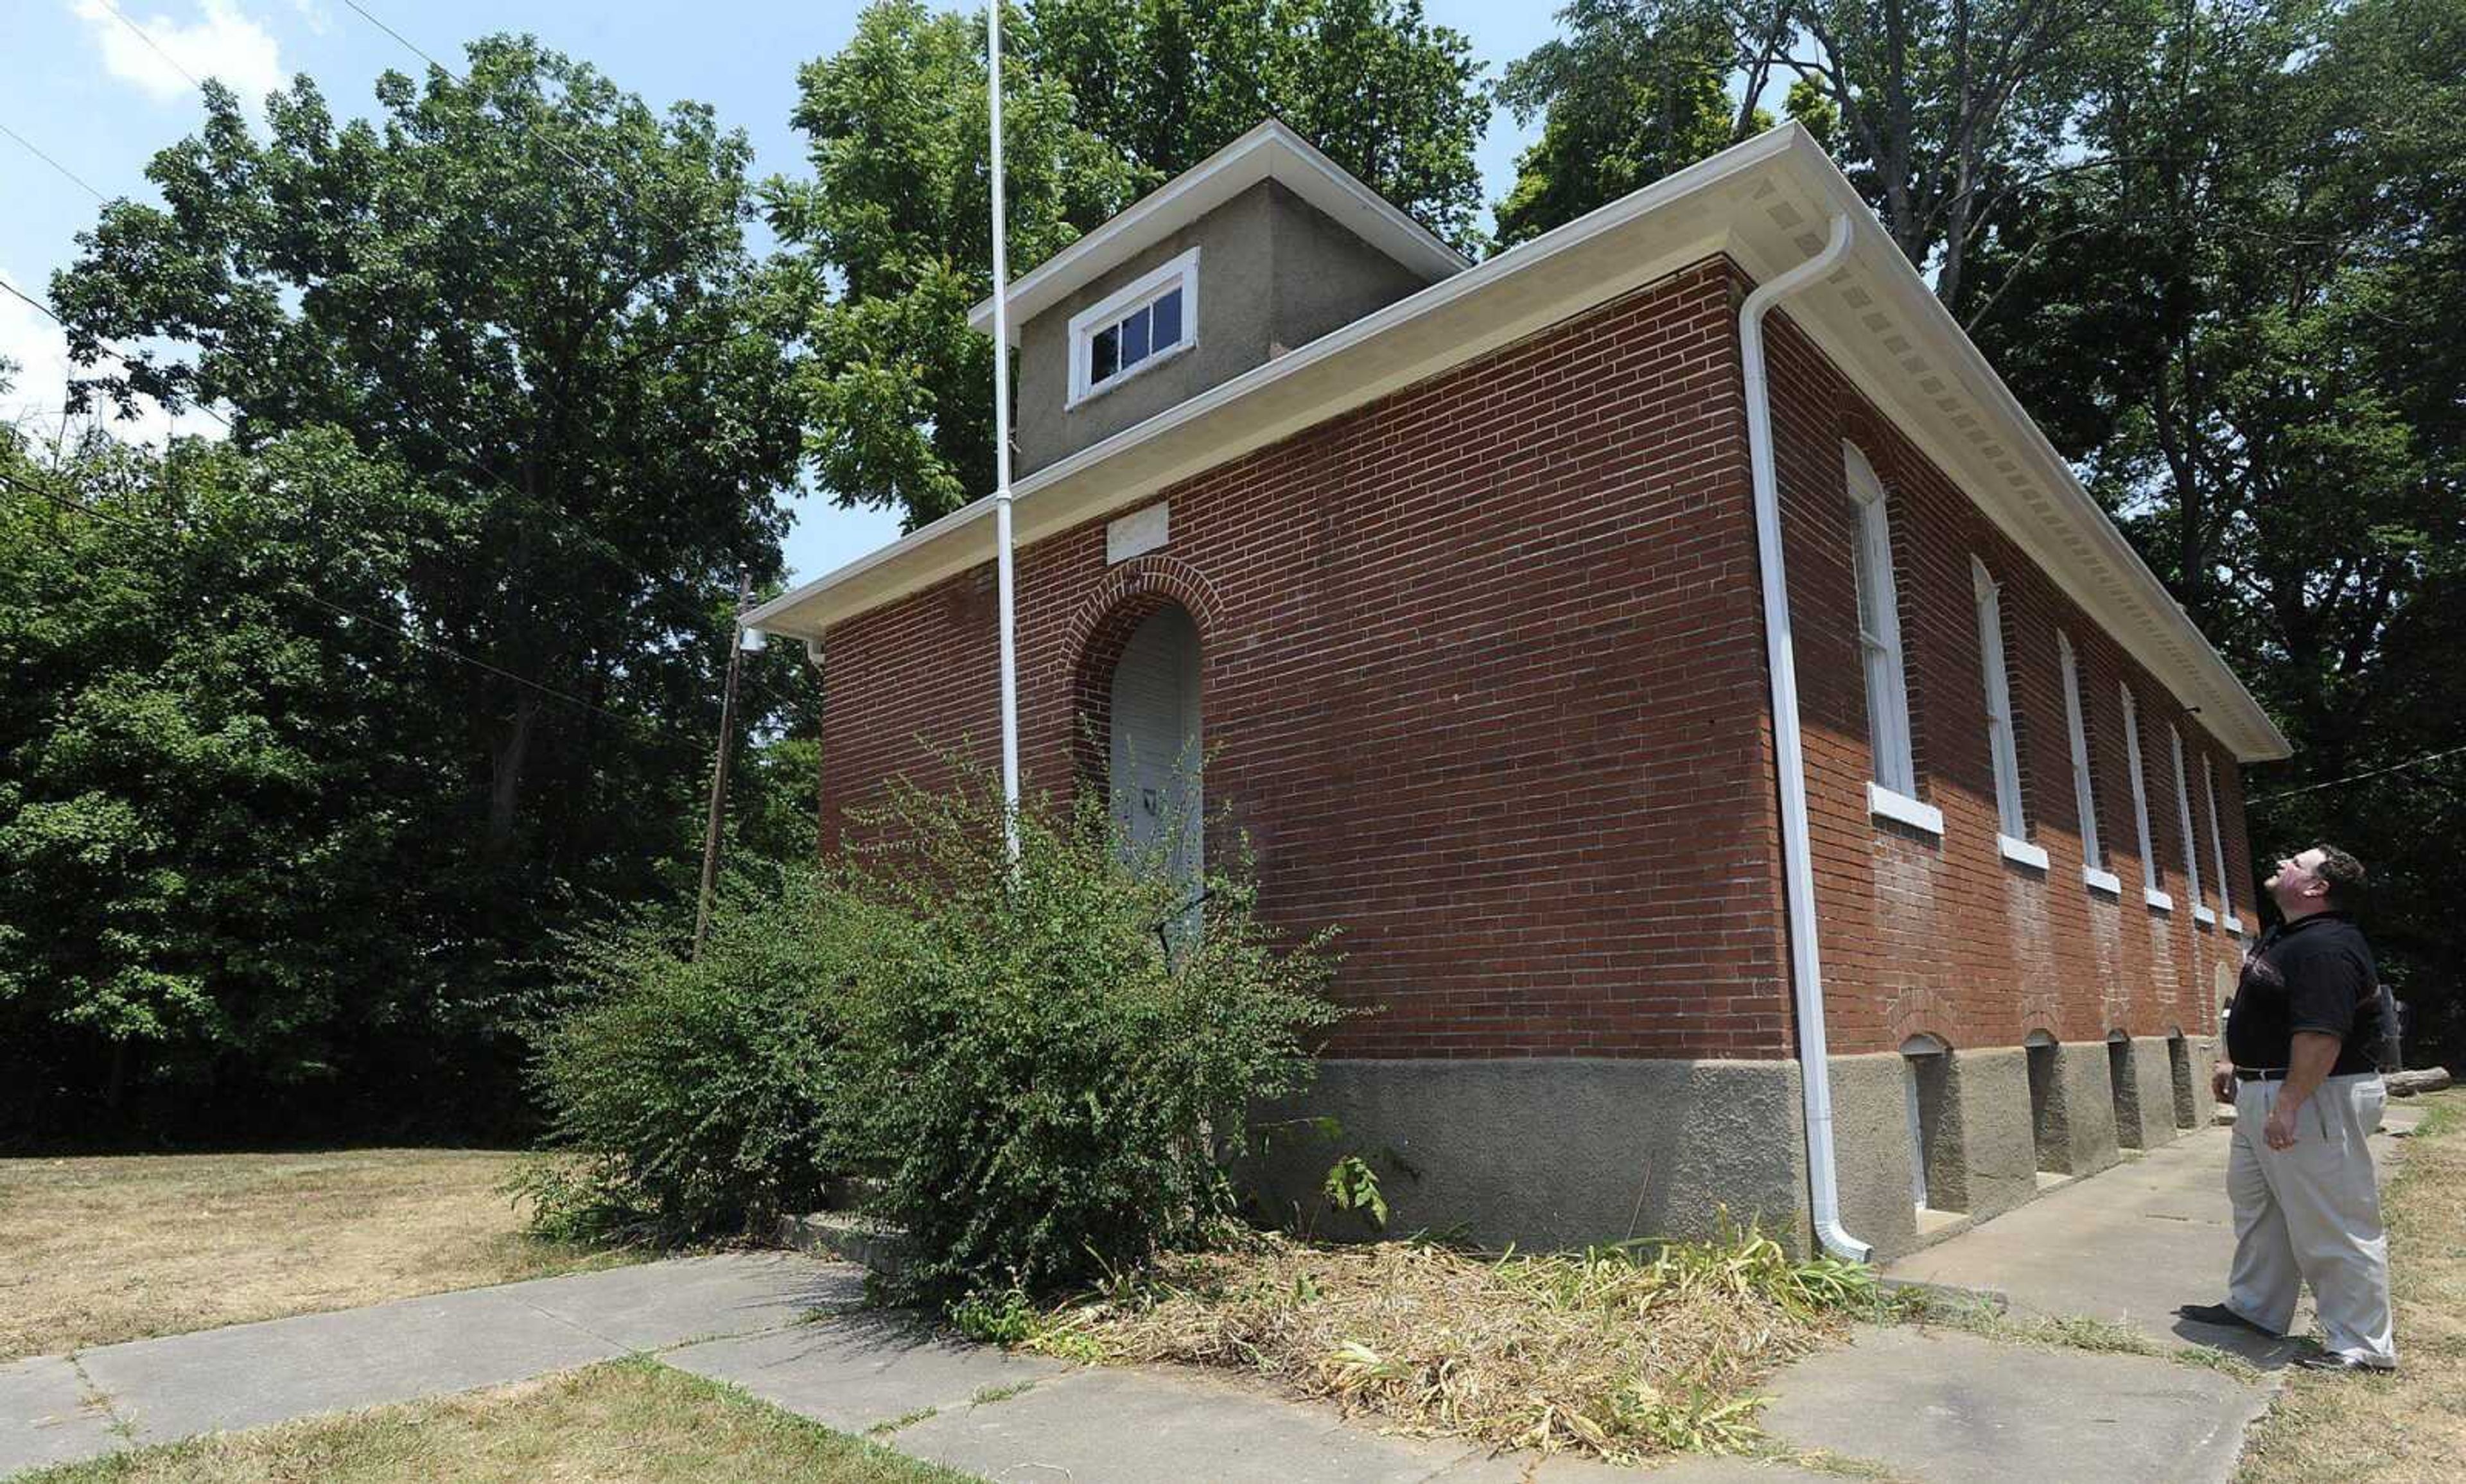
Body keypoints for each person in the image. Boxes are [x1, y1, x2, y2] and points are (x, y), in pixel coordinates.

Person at [2179, 844, 2396, 1372]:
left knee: (2333, 1219)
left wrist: (2290, 1103)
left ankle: (2362, 1345)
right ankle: (2256, 1308)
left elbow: (2321, 1034)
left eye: (2297, 863)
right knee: (2261, 1209)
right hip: (2266, 1090)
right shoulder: (2290, 935)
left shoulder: (2326, 947)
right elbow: (2264, 1012)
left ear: (2318, 887)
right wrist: (2237, 1063)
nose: (2282, 864)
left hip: (2312, 1095)